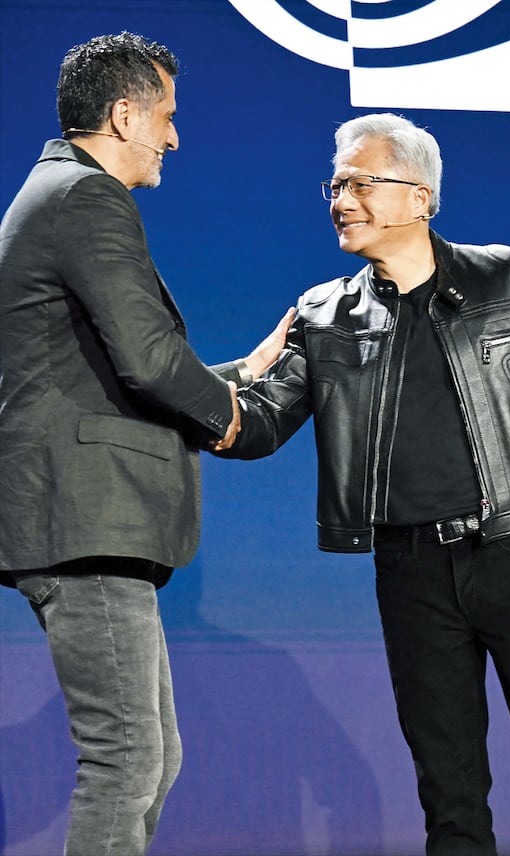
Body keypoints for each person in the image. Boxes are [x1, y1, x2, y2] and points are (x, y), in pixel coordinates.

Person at [218, 113, 510, 855]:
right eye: (335, 186)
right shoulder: (323, 314)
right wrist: (171, 389)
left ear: (420, 198)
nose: (342, 200)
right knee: (450, 801)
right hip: (410, 573)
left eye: (361, 183)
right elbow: (259, 425)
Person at [0, 32, 291, 856]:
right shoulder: (85, 198)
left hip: (87, 521)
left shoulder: (59, 193)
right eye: (166, 117)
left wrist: (244, 371)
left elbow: (108, 369)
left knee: (152, 762)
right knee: (127, 762)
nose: (174, 137)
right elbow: (149, 361)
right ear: (125, 115)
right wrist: (229, 415)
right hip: (83, 521)